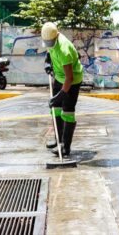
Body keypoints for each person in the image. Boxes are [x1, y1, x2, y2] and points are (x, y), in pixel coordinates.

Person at [42, 22, 83, 157]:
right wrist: (48, 62)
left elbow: (69, 78)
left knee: (67, 111)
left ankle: (66, 146)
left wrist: (61, 95)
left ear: (56, 36)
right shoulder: (51, 41)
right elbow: (50, 52)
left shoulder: (64, 49)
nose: (49, 44)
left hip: (72, 81)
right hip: (59, 78)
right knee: (55, 109)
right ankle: (58, 140)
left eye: (50, 42)